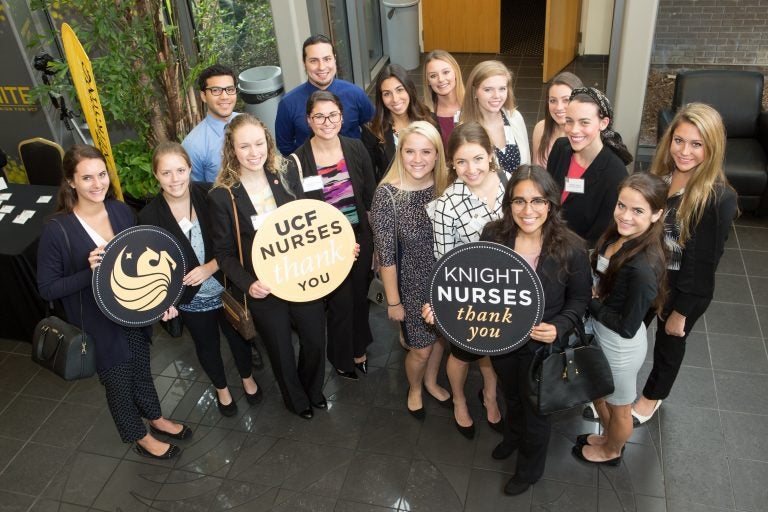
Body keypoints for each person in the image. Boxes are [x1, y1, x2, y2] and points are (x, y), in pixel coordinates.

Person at [425, 165, 590, 495]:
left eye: (538, 201)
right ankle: (513, 438)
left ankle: (529, 470)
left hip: (542, 348)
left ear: (551, 204)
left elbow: (581, 298)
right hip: (503, 340)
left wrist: (558, 327)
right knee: (511, 396)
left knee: (537, 409)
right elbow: (475, 286)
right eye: (519, 201)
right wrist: (442, 308)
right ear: (509, 204)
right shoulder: (494, 235)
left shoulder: (571, 246)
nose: (528, 211)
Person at [37, 144, 190, 459]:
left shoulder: (120, 210)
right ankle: (139, 436)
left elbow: (145, 260)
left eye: (102, 175)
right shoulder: (58, 230)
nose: (98, 184)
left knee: (141, 368)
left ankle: (155, 416)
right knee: (118, 381)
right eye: (87, 178)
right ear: (71, 182)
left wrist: (161, 301)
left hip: (132, 311)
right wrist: (88, 271)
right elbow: (48, 288)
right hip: (97, 324)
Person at [208, 113, 327, 419]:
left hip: (300, 276)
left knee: (315, 340)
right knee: (280, 352)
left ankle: (313, 390)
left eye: (259, 143)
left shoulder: (285, 173)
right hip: (263, 288)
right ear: (232, 150)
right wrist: (247, 284)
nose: (254, 152)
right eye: (244, 146)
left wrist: (335, 250)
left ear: (268, 142)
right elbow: (223, 253)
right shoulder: (223, 197)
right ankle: (296, 400)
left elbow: (310, 219)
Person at [631, 102, 738, 425]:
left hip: (680, 288)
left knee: (668, 345)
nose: (685, 151)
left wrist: (682, 312)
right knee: (626, 334)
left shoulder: (717, 197)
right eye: (679, 140)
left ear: (712, 147)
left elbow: (704, 264)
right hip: (647, 276)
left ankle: (651, 398)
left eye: (696, 144)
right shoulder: (660, 177)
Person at [138, 142, 261, 418]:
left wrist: (210, 267)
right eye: (166, 173)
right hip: (190, 299)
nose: (175, 179)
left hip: (225, 285)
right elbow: (150, 268)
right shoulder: (149, 216)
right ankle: (222, 389)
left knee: (240, 336)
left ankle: (247, 378)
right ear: (156, 175)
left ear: (190, 168)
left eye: (180, 170)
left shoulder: (211, 195)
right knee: (206, 346)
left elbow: (236, 240)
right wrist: (164, 301)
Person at [572, 173, 667, 466]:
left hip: (620, 347)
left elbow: (627, 326)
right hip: (603, 332)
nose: (625, 216)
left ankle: (612, 450)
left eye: (637, 210)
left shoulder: (643, 267)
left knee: (621, 409)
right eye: (622, 205)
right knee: (604, 397)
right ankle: (609, 438)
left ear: (657, 214)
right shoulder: (618, 236)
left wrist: (591, 300)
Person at [427, 122, 508, 438]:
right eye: (461, 161)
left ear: (490, 155)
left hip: (505, 287)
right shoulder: (447, 204)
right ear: (451, 163)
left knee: (494, 350)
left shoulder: (508, 184)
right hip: (468, 292)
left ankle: (489, 395)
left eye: (477, 158)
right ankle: (459, 400)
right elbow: (444, 260)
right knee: (463, 354)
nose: (470, 169)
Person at [291, 90, 376, 379]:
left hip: (360, 237)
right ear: (308, 120)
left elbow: (369, 198)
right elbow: (299, 212)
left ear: (342, 117)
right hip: (324, 244)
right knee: (341, 304)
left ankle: (359, 348)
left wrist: (373, 244)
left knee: (360, 298)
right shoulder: (297, 161)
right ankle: (341, 357)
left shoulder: (355, 147)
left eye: (333, 115)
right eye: (319, 116)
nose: (327, 122)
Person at [370, 120, 452, 419]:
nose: (418, 159)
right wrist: (394, 302)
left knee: (440, 339)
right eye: (410, 151)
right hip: (411, 285)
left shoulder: (445, 187)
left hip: (445, 282)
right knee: (420, 349)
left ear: (437, 155)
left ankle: (431, 381)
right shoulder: (387, 196)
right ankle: (415, 387)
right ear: (399, 153)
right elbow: (386, 257)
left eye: (426, 152)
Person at [546, 87, 633, 247]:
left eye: (584, 122)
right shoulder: (560, 149)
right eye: (569, 121)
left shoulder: (615, 174)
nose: (574, 130)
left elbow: (601, 236)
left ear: (603, 123)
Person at [275, 34, 374, 155]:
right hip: (311, 171)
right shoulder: (288, 103)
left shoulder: (355, 94)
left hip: (355, 167)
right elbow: (284, 145)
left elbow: (374, 129)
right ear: (304, 63)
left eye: (327, 59)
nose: (321, 67)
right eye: (313, 61)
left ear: (334, 59)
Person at [362, 63, 438, 182]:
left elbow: (439, 163)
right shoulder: (373, 131)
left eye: (399, 90)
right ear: (381, 98)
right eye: (387, 94)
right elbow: (369, 177)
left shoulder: (430, 121)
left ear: (409, 89)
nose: (395, 99)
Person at [460, 60, 530, 174]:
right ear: (474, 92)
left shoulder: (515, 117)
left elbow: (527, 163)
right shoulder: (465, 129)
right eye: (488, 90)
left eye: (502, 89)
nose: (496, 96)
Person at [182, 64, 240, 183]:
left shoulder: (249, 124)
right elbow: (196, 193)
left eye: (230, 89)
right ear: (203, 96)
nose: (225, 96)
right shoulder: (193, 146)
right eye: (216, 91)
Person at [531, 72, 583, 167]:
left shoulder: (585, 137)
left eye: (566, 100)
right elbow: (536, 173)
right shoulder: (540, 129)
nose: (559, 107)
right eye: (553, 100)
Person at [422, 49, 465, 148]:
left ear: (455, 72)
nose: (441, 79)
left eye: (446, 72)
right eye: (433, 76)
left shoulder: (475, 105)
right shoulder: (423, 114)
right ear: (428, 81)